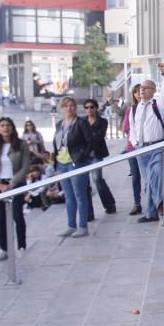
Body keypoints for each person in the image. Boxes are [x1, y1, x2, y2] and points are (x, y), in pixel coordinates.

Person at [129, 80, 164, 223]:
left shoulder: (157, 105)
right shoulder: (134, 109)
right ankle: (151, 212)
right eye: (141, 87)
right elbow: (132, 129)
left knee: (158, 176)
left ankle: (160, 205)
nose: (142, 90)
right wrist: (135, 144)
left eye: (146, 88)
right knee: (147, 182)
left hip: (157, 147)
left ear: (153, 90)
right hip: (141, 148)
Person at [0, 117, 31, 260]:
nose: (5, 128)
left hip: (15, 183)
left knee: (17, 215)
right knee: (1, 218)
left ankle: (21, 246)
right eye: (2, 125)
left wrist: (11, 184)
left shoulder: (21, 144)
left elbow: (25, 167)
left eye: (8, 125)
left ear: (12, 128)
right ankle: (3, 248)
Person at [52, 96, 96, 238]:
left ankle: (83, 226)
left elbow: (90, 142)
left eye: (71, 105)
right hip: (61, 163)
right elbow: (57, 143)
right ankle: (71, 225)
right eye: (66, 106)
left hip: (76, 163)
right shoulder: (60, 124)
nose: (69, 108)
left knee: (80, 195)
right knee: (69, 196)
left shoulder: (81, 122)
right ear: (61, 108)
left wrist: (82, 156)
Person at [82, 98, 117, 215]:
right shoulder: (82, 121)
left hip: (97, 153)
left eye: (91, 107)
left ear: (96, 108)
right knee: (86, 182)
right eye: (86, 107)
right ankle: (89, 213)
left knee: (97, 179)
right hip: (85, 155)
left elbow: (99, 136)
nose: (89, 109)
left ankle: (109, 204)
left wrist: (88, 137)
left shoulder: (102, 121)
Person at [121, 85, 144, 215]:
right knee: (136, 176)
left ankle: (156, 203)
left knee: (149, 177)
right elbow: (126, 128)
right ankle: (137, 203)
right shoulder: (131, 110)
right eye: (135, 92)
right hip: (132, 147)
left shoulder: (153, 107)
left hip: (147, 147)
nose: (138, 94)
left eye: (140, 91)